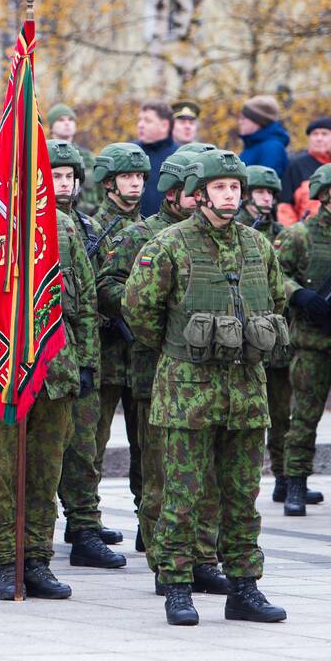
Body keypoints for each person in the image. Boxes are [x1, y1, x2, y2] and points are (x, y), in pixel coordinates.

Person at [124, 148, 288, 626]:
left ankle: (244, 586)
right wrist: (181, 347)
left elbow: (275, 299)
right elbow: (139, 310)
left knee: (242, 496)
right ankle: (177, 586)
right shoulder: (169, 245)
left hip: (245, 389)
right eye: (220, 187)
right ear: (198, 195)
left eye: (235, 188)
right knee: (182, 493)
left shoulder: (258, 247)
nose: (230, 195)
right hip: (187, 391)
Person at [0, 153, 97, 602]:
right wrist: (1, 292)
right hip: (0, 368)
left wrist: (87, 364)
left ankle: (37, 560)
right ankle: (5, 562)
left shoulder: (63, 228)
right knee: (1, 473)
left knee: (45, 474)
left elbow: (83, 304)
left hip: (55, 369)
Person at [98, 151, 229, 594]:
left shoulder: (226, 238)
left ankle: (205, 558)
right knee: (159, 473)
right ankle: (165, 559)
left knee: (208, 475)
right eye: (194, 191)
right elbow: (110, 286)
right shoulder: (142, 236)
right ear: (174, 193)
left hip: (213, 374)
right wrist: (158, 323)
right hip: (156, 373)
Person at [44, 140, 125, 570]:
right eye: (54, 175)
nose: (63, 183)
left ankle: (84, 526)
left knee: (84, 450)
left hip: (76, 354)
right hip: (37, 356)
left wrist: (89, 363)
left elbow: (90, 302)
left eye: (68, 177)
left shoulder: (88, 229)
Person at [235, 166, 312, 510]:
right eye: (260, 193)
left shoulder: (282, 233)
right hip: (242, 340)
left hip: (278, 339)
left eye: (270, 193)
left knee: (283, 414)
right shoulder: (236, 231)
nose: (266, 198)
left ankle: (283, 476)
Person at [92, 142, 150, 537]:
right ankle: (86, 523)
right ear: (109, 182)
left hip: (143, 353)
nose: (135, 183)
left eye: (140, 177)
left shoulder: (151, 229)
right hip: (107, 352)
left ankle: (149, 522)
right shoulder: (92, 227)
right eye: (127, 177)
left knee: (147, 445)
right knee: (91, 445)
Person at [275, 162, 331, 517]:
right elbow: (276, 273)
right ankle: (295, 482)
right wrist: (298, 296)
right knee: (304, 418)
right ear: (324, 196)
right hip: (312, 343)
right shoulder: (300, 236)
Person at [47, 104, 99, 215]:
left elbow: (100, 192)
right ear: (51, 127)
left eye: (70, 119)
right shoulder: (42, 154)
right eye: (61, 120)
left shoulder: (88, 157)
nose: (67, 123)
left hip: (86, 217)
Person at [280, 117, 331, 226]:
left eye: (324, 134)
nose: (319, 138)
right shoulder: (296, 166)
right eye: (315, 134)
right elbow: (285, 207)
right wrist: (294, 234)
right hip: (309, 236)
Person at [134, 100, 180, 216]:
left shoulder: (179, 156)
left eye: (147, 121)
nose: (140, 125)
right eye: (140, 120)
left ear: (164, 125)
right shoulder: (130, 152)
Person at [237, 95, 290, 180]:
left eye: (243, 118)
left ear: (258, 121)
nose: (240, 122)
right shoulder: (253, 144)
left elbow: (266, 185)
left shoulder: (271, 148)